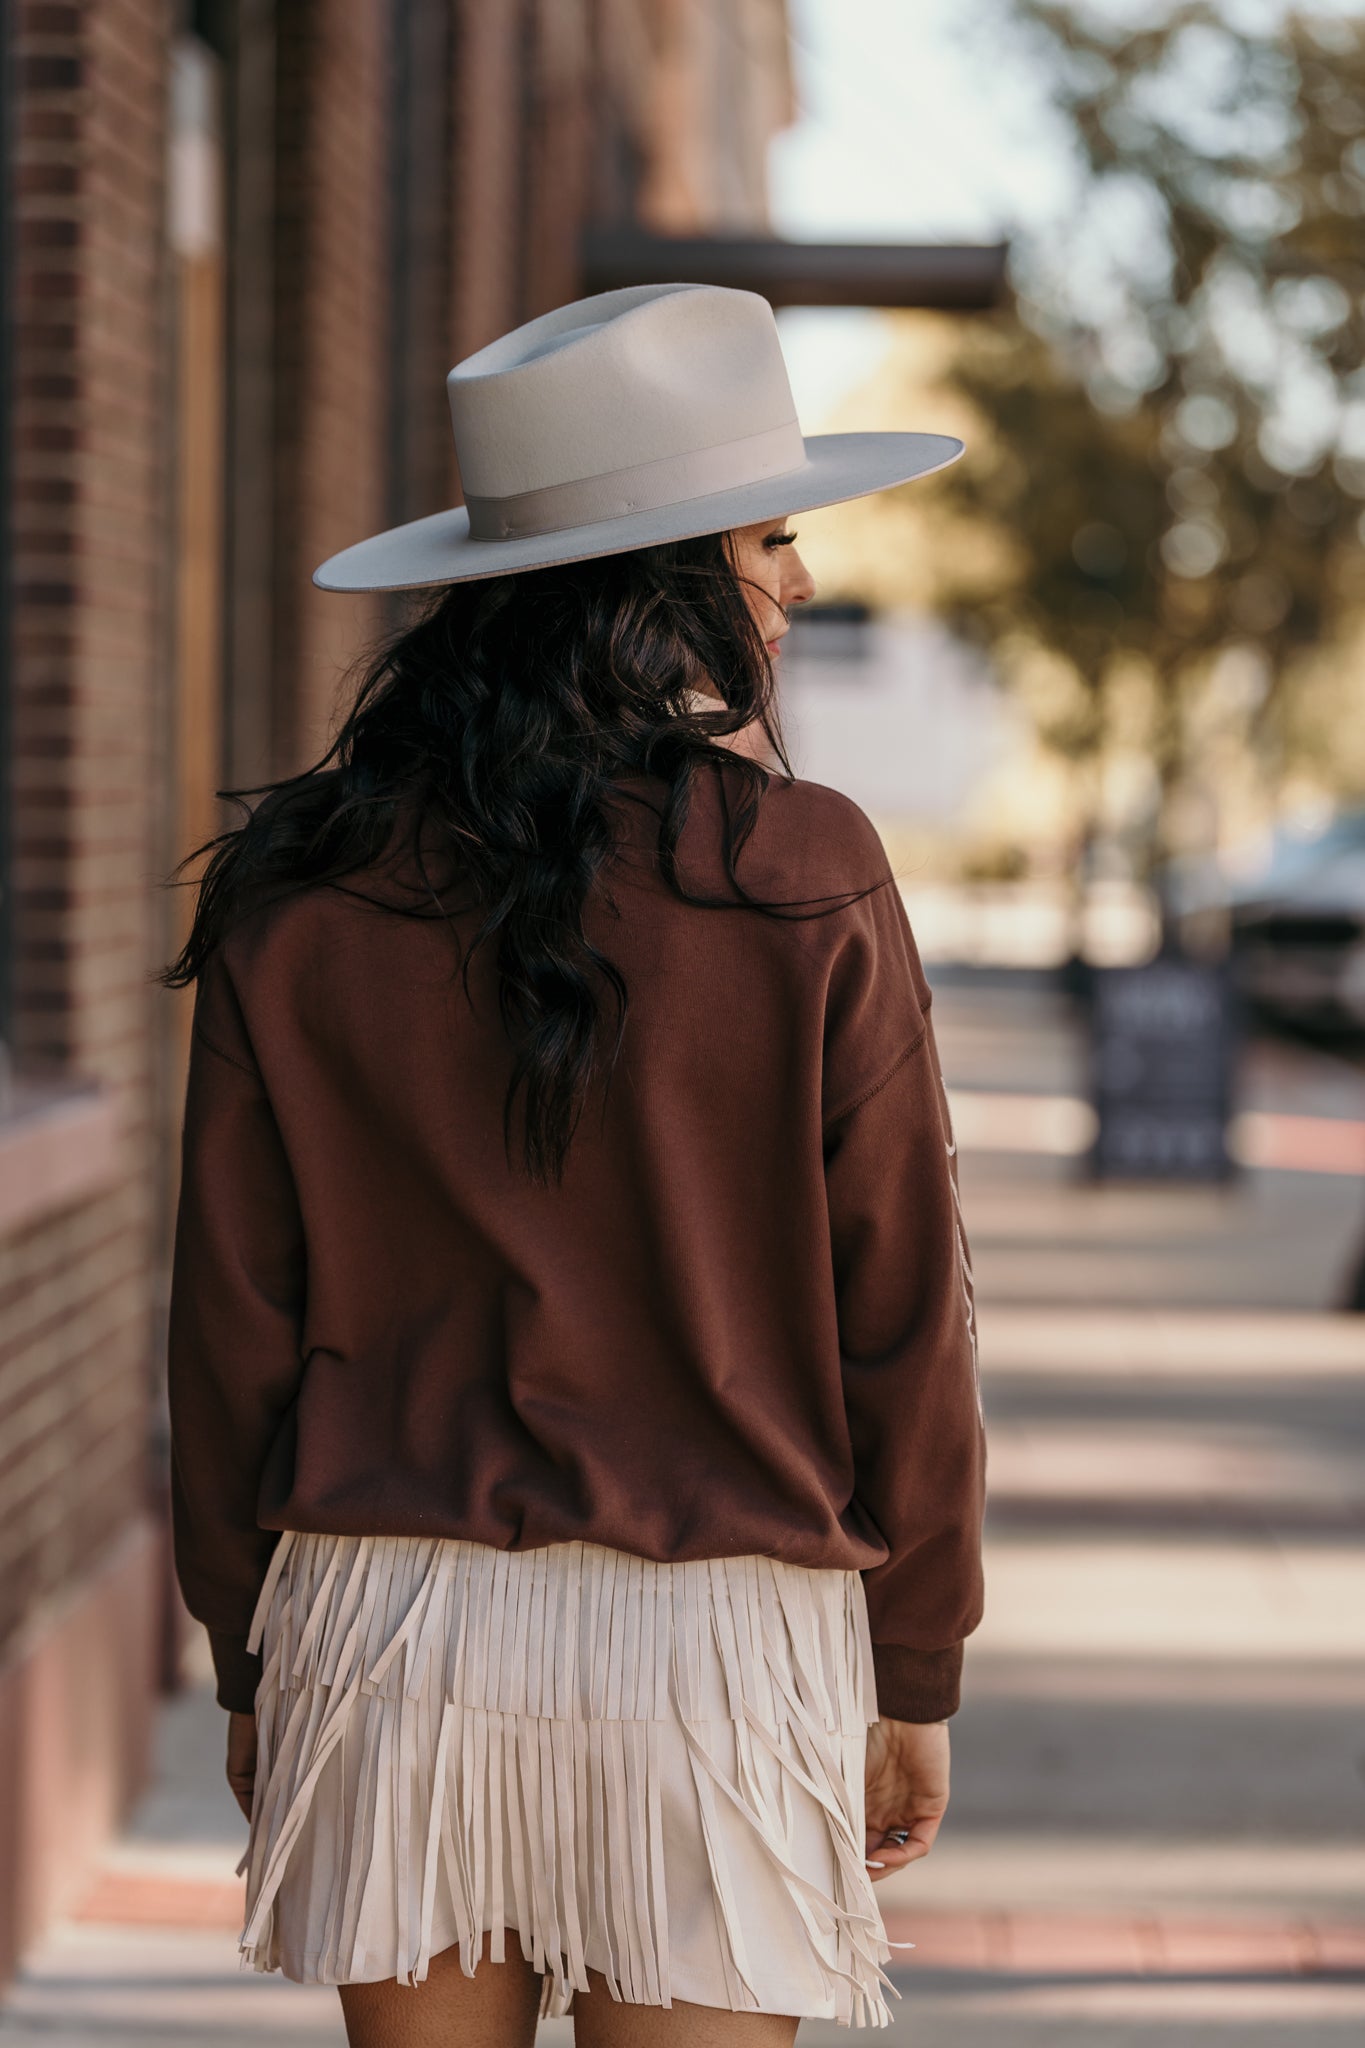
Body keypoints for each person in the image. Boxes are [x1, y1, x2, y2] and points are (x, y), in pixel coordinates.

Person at [162, 281, 987, 2047]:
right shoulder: (805, 870)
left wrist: (245, 1656)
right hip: (722, 1639)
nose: (802, 580)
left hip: (387, 1625)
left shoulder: (303, 895)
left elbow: (231, 1325)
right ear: (668, 571)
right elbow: (902, 1305)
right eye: (773, 535)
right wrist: (913, 1654)